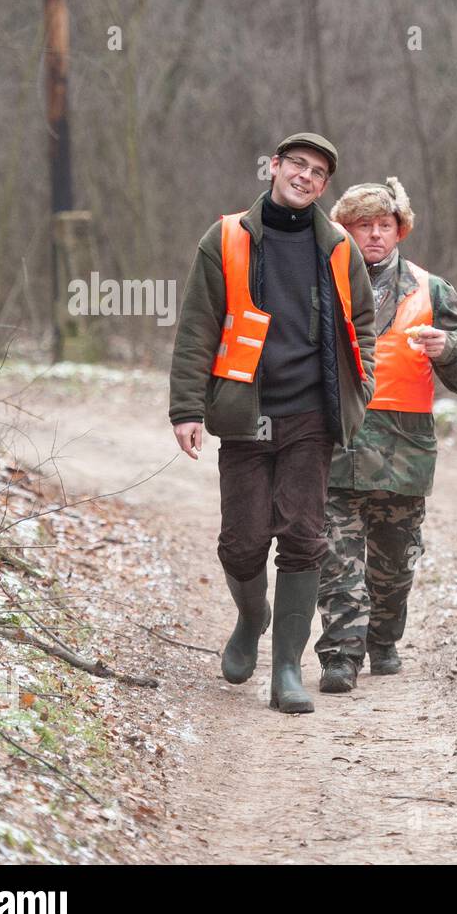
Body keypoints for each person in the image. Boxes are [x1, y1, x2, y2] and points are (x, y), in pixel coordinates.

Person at [168, 132, 377, 715]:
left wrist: (362, 387)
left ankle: (287, 668)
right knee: (241, 543)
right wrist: (186, 408)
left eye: (318, 172)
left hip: (311, 414)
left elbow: (363, 325)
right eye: (297, 165)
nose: (305, 177)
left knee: (303, 539)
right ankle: (250, 617)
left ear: (324, 186)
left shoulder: (338, 247)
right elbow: (196, 330)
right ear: (275, 167)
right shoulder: (228, 237)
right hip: (243, 412)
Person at [315, 177, 457, 692]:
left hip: (403, 453)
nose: (373, 235)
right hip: (336, 445)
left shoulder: (431, 289)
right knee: (336, 558)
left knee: (394, 564)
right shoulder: (321, 282)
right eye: (361, 226)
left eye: (382, 226)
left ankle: (384, 640)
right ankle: (339, 658)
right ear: (342, 231)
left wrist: (449, 347)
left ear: (400, 231)